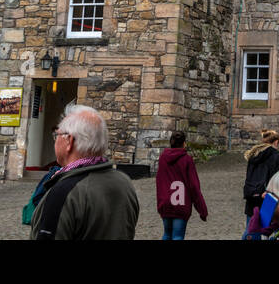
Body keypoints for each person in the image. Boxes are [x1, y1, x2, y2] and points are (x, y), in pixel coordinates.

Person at [30, 103, 139, 240]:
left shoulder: (64, 192)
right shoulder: (124, 182)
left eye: (56, 135)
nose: (55, 140)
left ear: (69, 141)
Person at [156, 130, 208, 239]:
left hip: (165, 202)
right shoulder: (187, 160)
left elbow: (159, 181)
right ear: (184, 143)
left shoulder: (162, 158)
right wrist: (202, 210)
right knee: (178, 236)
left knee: (167, 234)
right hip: (180, 203)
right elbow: (194, 186)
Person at [242, 129, 279, 238]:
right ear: (275, 142)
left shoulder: (253, 155)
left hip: (252, 194)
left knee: (251, 229)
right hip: (268, 196)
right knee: (276, 229)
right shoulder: (277, 156)